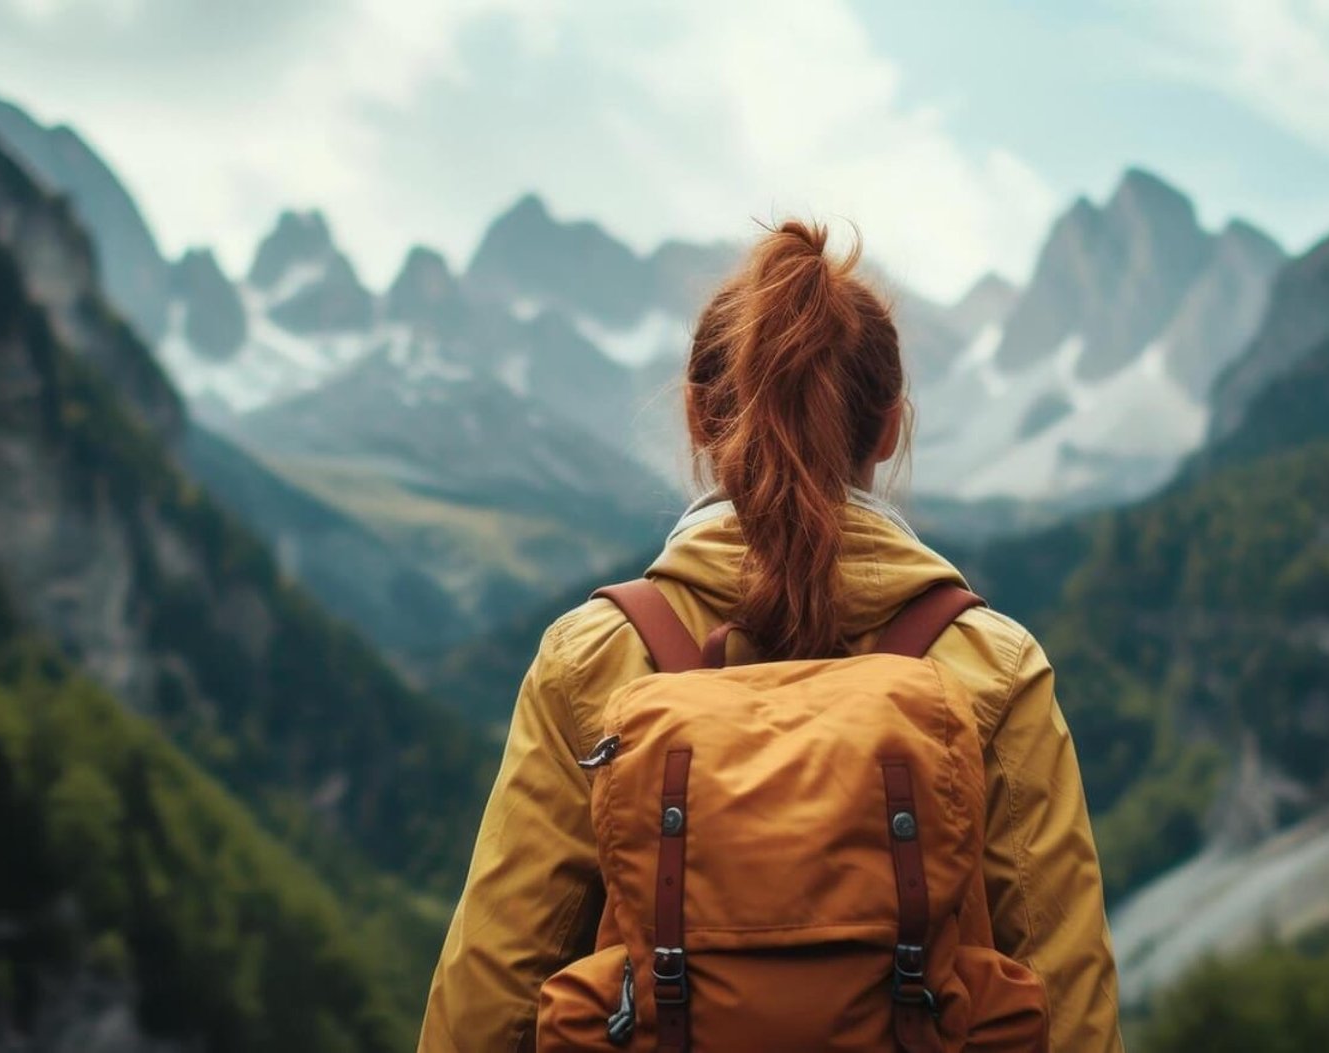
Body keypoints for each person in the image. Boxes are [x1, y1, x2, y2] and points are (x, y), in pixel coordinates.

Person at [419, 219, 1122, 1051]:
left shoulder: (595, 656)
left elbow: (488, 1001)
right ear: (890, 427)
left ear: (695, 418)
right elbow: (1066, 1003)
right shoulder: (991, 667)